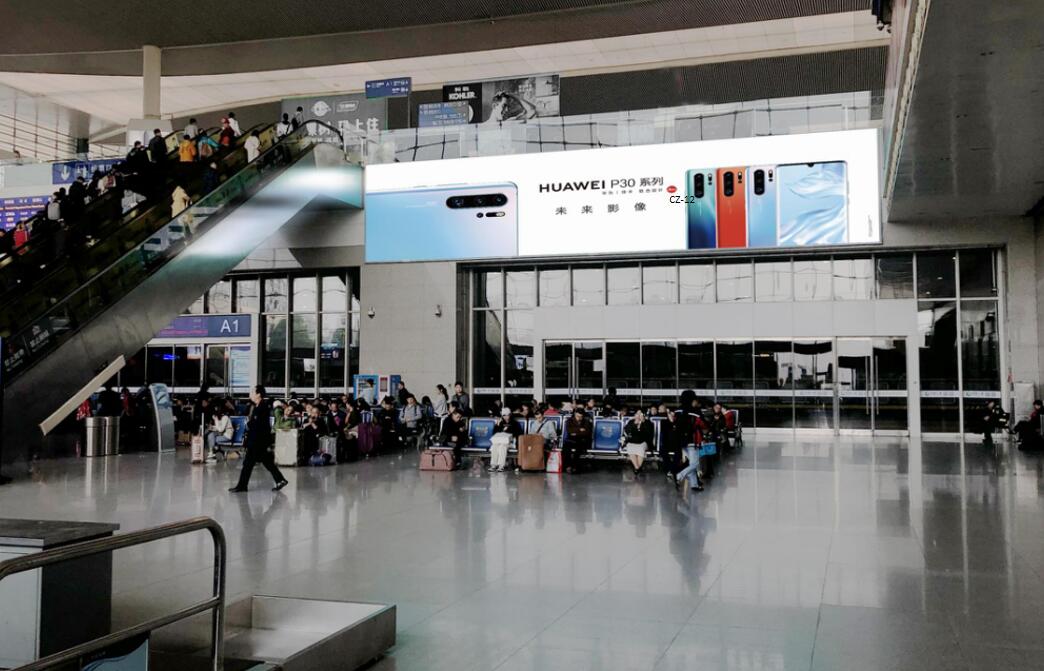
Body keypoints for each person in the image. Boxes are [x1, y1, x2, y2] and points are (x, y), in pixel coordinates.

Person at [230, 386, 288, 492]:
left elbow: (261, 426)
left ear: (258, 394)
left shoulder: (263, 408)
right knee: (266, 462)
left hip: (257, 442)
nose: (250, 394)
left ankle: (242, 486)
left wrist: (250, 427)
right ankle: (280, 480)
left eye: (253, 392)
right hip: (257, 441)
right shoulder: (257, 407)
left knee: (248, 464)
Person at [674, 411, 705, 492]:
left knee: (692, 464)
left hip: (684, 444)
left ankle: (694, 485)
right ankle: (679, 476)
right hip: (692, 443)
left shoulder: (680, 416)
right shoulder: (695, 417)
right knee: (695, 464)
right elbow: (703, 426)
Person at [622, 409, 654, 477]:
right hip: (632, 441)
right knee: (630, 446)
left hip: (643, 441)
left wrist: (643, 422)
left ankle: (637, 468)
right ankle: (637, 468)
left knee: (641, 448)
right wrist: (634, 424)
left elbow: (649, 433)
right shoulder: (631, 422)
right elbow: (627, 431)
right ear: (635, 415)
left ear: (643, 415)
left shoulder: (647, 422)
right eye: (637, 414)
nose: (639, 415)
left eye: (640, 414)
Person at [563, 407, 592, 474]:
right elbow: (569, 430)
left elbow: (587, 432)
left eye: (581, 416)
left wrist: (575, 432)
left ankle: (574, 467)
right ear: (575, 414)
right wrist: (579, 429)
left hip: (582, 439)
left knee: (578, 449)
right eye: (578, 416)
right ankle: (568, 466)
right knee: (566, 448)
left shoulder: (586, 421)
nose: (579, 418)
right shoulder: (569, 420)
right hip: (571, 439)